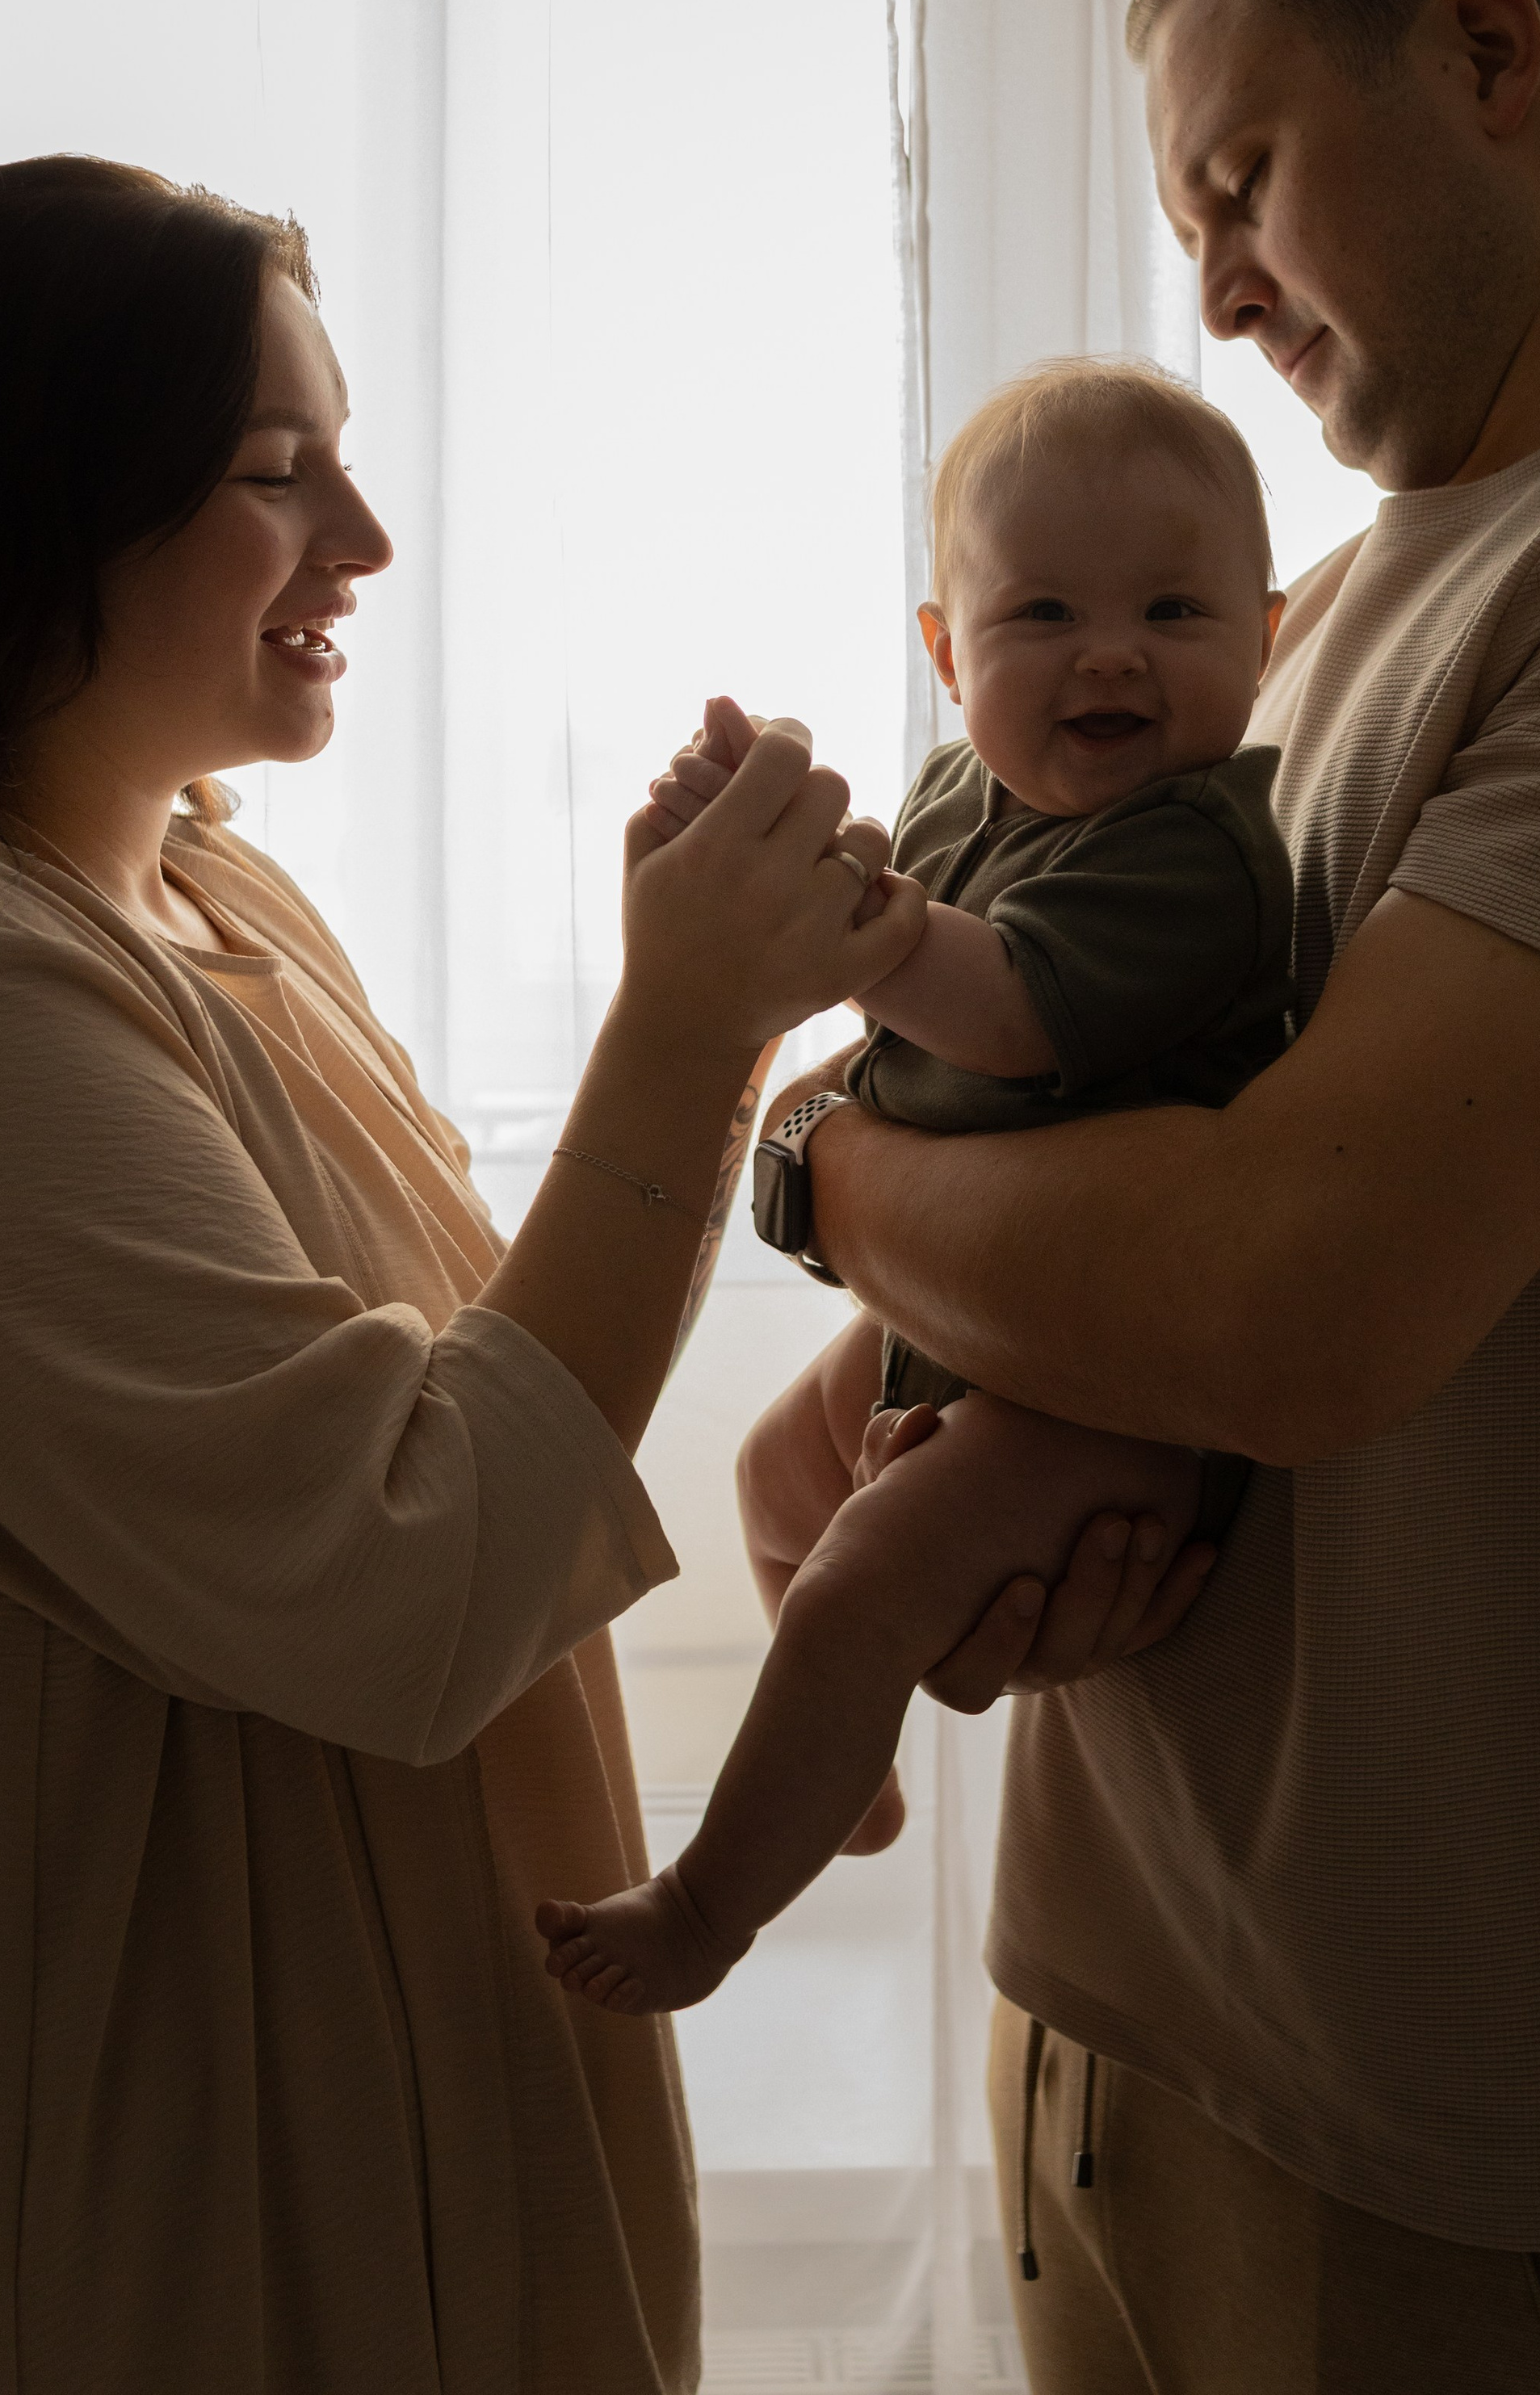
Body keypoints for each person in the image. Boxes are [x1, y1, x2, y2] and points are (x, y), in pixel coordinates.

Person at [0, 153, 991, 2395]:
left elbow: (471, 1373)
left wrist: (716, 1043)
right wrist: (687, 1033)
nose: (367, 544)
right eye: (275, 472)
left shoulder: (211, 905)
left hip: (400, 2102)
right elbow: (417, 1567)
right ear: (35, 503)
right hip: (161, 2232)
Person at [758, 0, 1540, 2389]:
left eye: (1240, 183)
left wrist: (818, 1165)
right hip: (1130, 2016)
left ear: (1487, 56)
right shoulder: (1306, 608)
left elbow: (1282, 1303)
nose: (1216, 294)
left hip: (1504, 2135)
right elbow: (1086, 1113)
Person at [537, 359, 1289, 2018]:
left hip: (1115, 1386)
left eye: (1172, 608)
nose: (1107, 652)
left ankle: (707, 1909)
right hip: (966, 1316)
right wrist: (745, 834)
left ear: (1268, 633)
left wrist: (841, 929)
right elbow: (876, 930)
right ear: (947, 657)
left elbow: (1008, 1013)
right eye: (1037, 616)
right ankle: (844, 1775)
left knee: (865, 1582)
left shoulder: (1196, 847)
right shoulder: (968, 788)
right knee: (770, 1483)